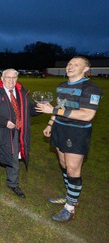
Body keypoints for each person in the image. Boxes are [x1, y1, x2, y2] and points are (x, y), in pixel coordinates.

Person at [36, 56, 103, 222]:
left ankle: (70, 207)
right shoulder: (62, 86)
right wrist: (51, 124)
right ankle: (69, 196)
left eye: (76, 65)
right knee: (64, 164)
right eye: (69, 64)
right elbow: (59, 107)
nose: (70, 67)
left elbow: (88, 115)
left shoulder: (91, 88)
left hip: (76, 132)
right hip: (59, 128)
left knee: (73, 169)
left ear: (86, 69)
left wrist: (55, 112)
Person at [0, 69, 37, 198]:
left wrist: (41, 107)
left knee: (14, 157)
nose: (11, 80)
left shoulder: (22, 93)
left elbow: (29, 110)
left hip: (16, 131)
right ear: (2, 78)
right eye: (8, 77)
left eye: (14, 77)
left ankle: (13, 183)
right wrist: (4, 122)